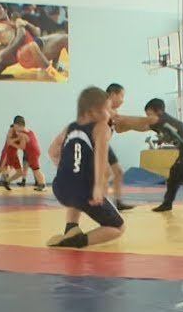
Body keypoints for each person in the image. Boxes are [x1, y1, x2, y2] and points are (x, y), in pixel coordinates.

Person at [47, 86, 125, 248]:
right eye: (107, 109)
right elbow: (101, 159)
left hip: (60, 188)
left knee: (75, 194)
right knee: (118, 228)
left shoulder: (70, 127)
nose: (110, 113)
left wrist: (66, 170)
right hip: (84, 192)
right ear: (92, 112)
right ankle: (76, 241)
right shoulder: (102, 127)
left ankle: (71, 228)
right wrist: (98, 187)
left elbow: (52, 151)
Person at [114, 98, 183, 212]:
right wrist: (126, 127)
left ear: (159, 111)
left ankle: (168, 203)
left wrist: (122, 118)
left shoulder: (162, 119)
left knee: (177, 174)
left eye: (149, 114)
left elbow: (143, 121)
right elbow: (142, 127)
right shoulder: (159, 122)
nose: (148, 117)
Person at [0, 3, 68, 81]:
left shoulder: (15, 21)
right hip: (25, 52)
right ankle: (54, 74)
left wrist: (25, 23)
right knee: (32, 46)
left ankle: (56, 65)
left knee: (65, 38)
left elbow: (37, 32)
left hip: (37, 44)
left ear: (5, 9)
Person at [102, 83, 135, 211]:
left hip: (105, 144)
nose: (123, 100)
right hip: (95, 144)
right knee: (106, 173)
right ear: (112, 94)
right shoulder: (103, 105)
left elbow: (119, 129)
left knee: (118, 172)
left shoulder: (113, 111)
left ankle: (118, 201)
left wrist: (133, 126)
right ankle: (101, 203)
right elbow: (118, 119)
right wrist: (147, 122)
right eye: (121, 96)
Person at [0, 120, 27, 191]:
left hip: (14, 154)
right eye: (18, 126)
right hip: (7, 153)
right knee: (0, 170)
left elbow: (21, 146)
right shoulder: (11, 131)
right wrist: (19, 138)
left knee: (20, 173)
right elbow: (9, 142)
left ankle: (6, 182)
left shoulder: (21, 133)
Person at [10, 116, 47, 191]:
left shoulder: (22, 134)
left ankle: (43, 185)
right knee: (35, 169)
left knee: (36, 170)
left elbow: (22, 147)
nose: (15, 129)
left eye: (15, 127)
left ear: (19, 125)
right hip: (35, 151)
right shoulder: (29, 131)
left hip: (32, 153)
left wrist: (12, 143)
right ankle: (41, 184)